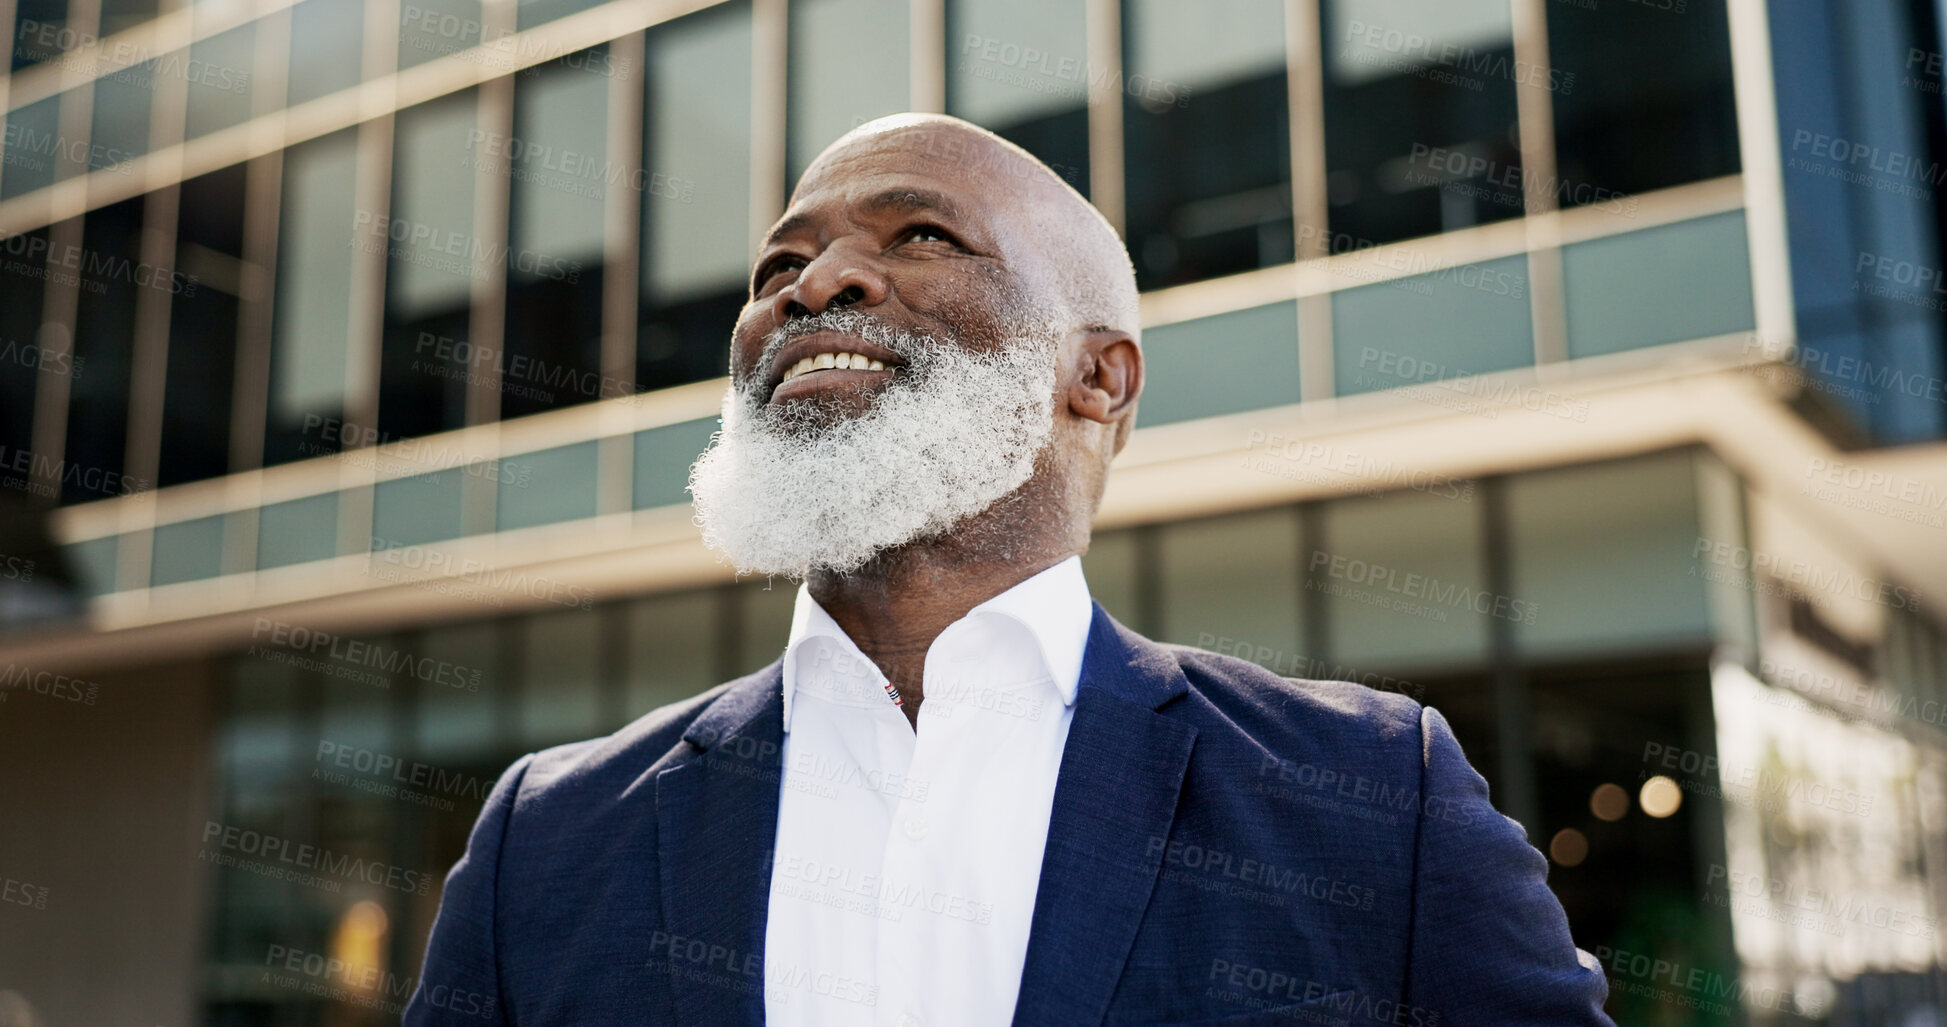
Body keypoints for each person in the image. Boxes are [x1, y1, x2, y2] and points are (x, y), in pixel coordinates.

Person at [404, 113, 1614, 1027]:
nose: (814, 285)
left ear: (1100, 378)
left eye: (922, 235)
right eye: (780, 268)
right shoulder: (546, 841)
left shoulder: (1371, 796)